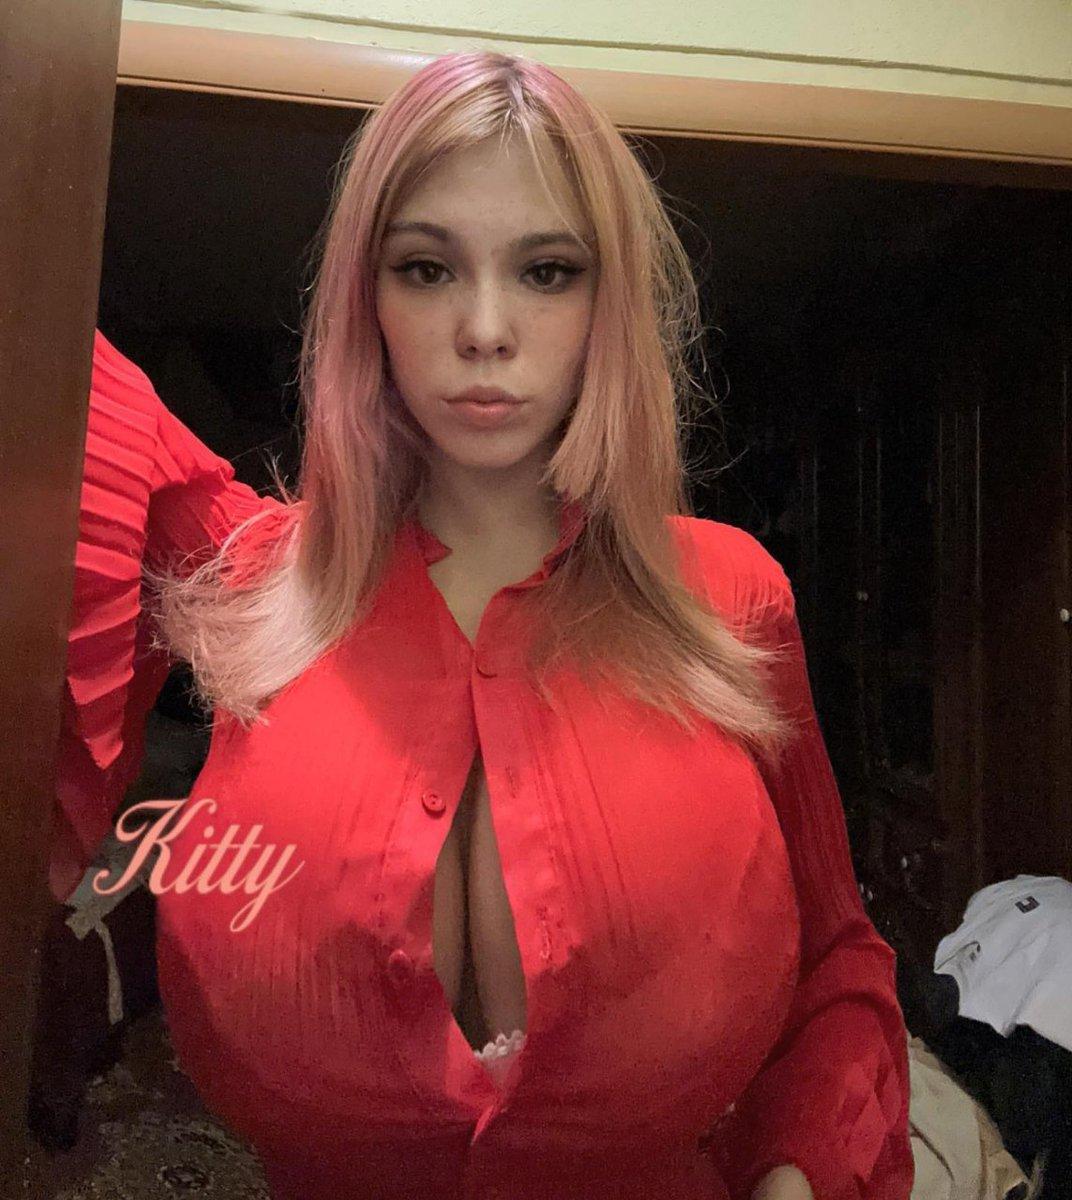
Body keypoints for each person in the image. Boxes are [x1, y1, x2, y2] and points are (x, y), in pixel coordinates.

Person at [57, 50, 913, 1200]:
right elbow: (48, 348)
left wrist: (795, 1178)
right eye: (426, 268)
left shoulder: (729, 597)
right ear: (365, 298)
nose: (485, 328)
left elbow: (838, 959)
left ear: (607, 305)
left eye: (547, 270)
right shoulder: (251, 578)